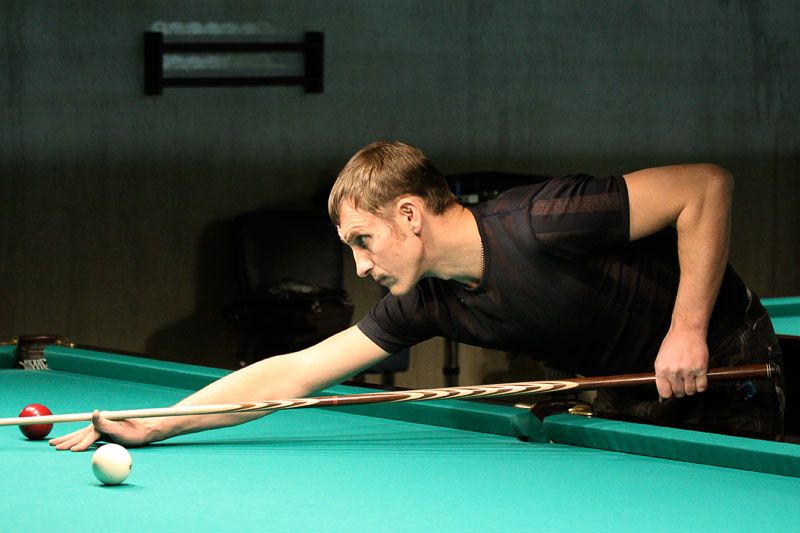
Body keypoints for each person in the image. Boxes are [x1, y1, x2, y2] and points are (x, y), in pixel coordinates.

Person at [50, 141, 785, 452]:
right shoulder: (429, 301)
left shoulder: (543, 219)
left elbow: (705, 187)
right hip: (630, 385)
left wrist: (687, 329)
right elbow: (295, 371)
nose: (359, 266)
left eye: (363, 241)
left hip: (728, 361)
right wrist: (158, 424)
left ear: (409, 214)